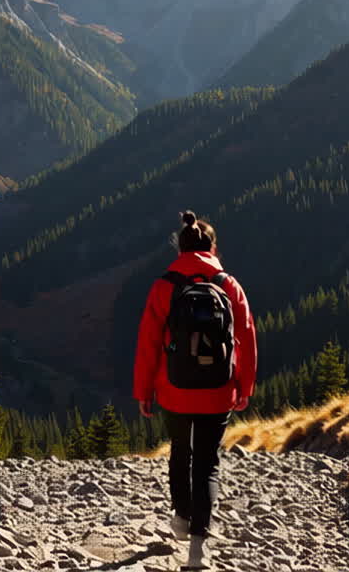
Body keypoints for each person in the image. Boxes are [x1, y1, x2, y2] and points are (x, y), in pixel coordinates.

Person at [133, 211, 257, 570]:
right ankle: (198, 549)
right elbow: (246, 339)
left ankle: (181, 518)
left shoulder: (164, 286)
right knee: (207, 464)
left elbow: (148, 344)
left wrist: (144, 392)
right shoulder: (228, 285)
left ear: (180, 247)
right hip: (218, 390)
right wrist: (243, 386)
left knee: (180, 454)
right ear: (214, 247)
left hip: (173, 389)